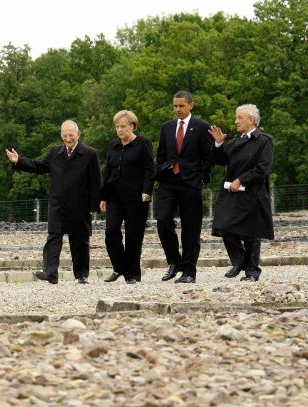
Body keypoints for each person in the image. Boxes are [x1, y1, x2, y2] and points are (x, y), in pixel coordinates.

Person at [5, 120, 102, 284]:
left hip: (80, 205)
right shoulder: (55, 152)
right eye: (64, 135)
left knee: (79, 241)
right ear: (61, 135)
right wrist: (18, 160)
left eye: (71, 135)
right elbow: (39, 166)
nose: (68, 138)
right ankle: (51, 273)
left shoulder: (90, 153)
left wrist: (95, 205)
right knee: (53, 238)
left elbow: (96, 181)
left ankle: (81, 274)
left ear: (78, 134)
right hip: (57, 204)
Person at [208, 104, 274, 282]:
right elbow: (221, 160)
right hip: (232, 193)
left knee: (252, 233)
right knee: (223, 226)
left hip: (253, 193)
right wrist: (219, 143)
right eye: (236, 117)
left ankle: (252, 272)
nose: (236, 121)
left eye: (239, 117)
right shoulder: (235, 141)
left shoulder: (264, 141)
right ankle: (240, 261)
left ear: (251, 120)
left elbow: (262, 168)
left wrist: (241, 180)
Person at [155, 91, 213, 284]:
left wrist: (202, 178)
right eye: (175, 106)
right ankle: (174, 261)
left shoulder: (201, 127)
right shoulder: (166, 127)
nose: (177, 109)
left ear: (191, 106)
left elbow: (208, 156)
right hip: (169, 182)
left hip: (191, 183)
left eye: (181, 106)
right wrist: (161, 171)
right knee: (163, 220)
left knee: (190, 229)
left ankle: (189, 271)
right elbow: (161, 155)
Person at [100, 110, 155, 284]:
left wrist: (147, 190)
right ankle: (119, 267)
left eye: (123, 126)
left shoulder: (143, 144)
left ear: (132, 126)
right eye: (117, 127)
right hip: (115, 196)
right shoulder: (113, 145)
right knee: (111, 231)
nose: (119, 130)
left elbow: (149, 169)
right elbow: (107, 170)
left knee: (133, 236)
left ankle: (132, 274)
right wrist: (103, 196)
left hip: (136, 197)